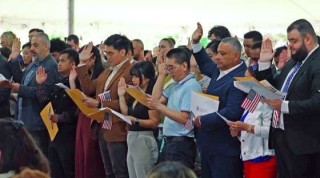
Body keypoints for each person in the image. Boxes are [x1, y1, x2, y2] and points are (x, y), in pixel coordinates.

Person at [255, 19, 320, 178]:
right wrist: (264, 64)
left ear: (308, 39)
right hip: (282, 135)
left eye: (294, 41)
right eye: (289, 40)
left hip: (304, 142)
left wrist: (283, 106)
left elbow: (317, 101)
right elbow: (276, 88)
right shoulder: (293, 63)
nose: (289, 45)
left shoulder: (317, 62)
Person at [191, 22, 246, 178]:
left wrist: (204, 120)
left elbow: (233, 111)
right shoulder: (219, 69)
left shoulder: (240, 77)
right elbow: (205, 63)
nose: (217, 57)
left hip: (225, 148)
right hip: (209, 144)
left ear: (236, 56)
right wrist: (196, 43)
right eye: (217, 53)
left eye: (222, 54)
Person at [76, 34, 132, 178]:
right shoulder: (108, 70)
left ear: (123, 52)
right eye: (106, 53)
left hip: (118, 127)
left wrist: (99, 103)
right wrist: (82, 63)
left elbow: (127, 102)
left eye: (111, 53)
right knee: (109, 171)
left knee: (120, 171)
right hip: (103, 125)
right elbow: (89, 88)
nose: (108, 57)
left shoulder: (130, 71)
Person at [148, 47, 202, 169]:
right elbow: (155, 101)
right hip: (170, 141)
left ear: (184, 65)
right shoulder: (174, 85)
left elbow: (184, 118)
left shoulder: (191, 85)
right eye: (167, 68)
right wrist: (161, 75)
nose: (170, 72)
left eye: (171, 68)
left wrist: (159, 106)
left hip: (182, 142)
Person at [10, 32, 59, 157]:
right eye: (31, 45)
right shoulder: (34, 64)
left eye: (35, 45)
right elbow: (21, 79)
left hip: (36, 122)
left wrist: (20, 89)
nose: (32, 49)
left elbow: (43, 95)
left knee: (37, 160)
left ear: (46, 47)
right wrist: (15, 58)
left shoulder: (50, 66)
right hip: (24, 119)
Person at [36, 48, 79, 178]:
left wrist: (59, 117)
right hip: (54, 133)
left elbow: (76, 109)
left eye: (63, 61)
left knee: (68, 170)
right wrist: (41, 85)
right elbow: (46, 103)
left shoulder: (76, 83)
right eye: (58, 60)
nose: (59, 63)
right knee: (55, 171)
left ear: (72, 64)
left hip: (68, 134)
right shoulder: (58, 83)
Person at [227, 69, 277, 178]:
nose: (243, 81)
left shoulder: (269, 101)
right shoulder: (251, 98)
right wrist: (238, 132)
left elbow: (272, 132)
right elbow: (247, 128)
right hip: (248, 155)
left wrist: (248, 127)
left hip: (263, 158)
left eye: (247, 78)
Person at [118, 61, 160, 178]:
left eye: (136, 76)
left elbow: (154, 122)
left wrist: (136, 120)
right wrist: (121, 95)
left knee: (143, 174)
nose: (133, 80)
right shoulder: (136, 94)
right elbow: (126, 113)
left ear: (146, 77)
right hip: (131, 137)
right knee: (133, 174)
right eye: (132, 77)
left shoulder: (150, 96)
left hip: (144, 138)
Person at [75, 43, 106, 178]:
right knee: (81, 153)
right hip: (83, 115)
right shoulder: (85, 73)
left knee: (90, 156)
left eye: (84, 59)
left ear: (93, 59)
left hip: (94, 116)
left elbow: (89, 91)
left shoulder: (102, 73)